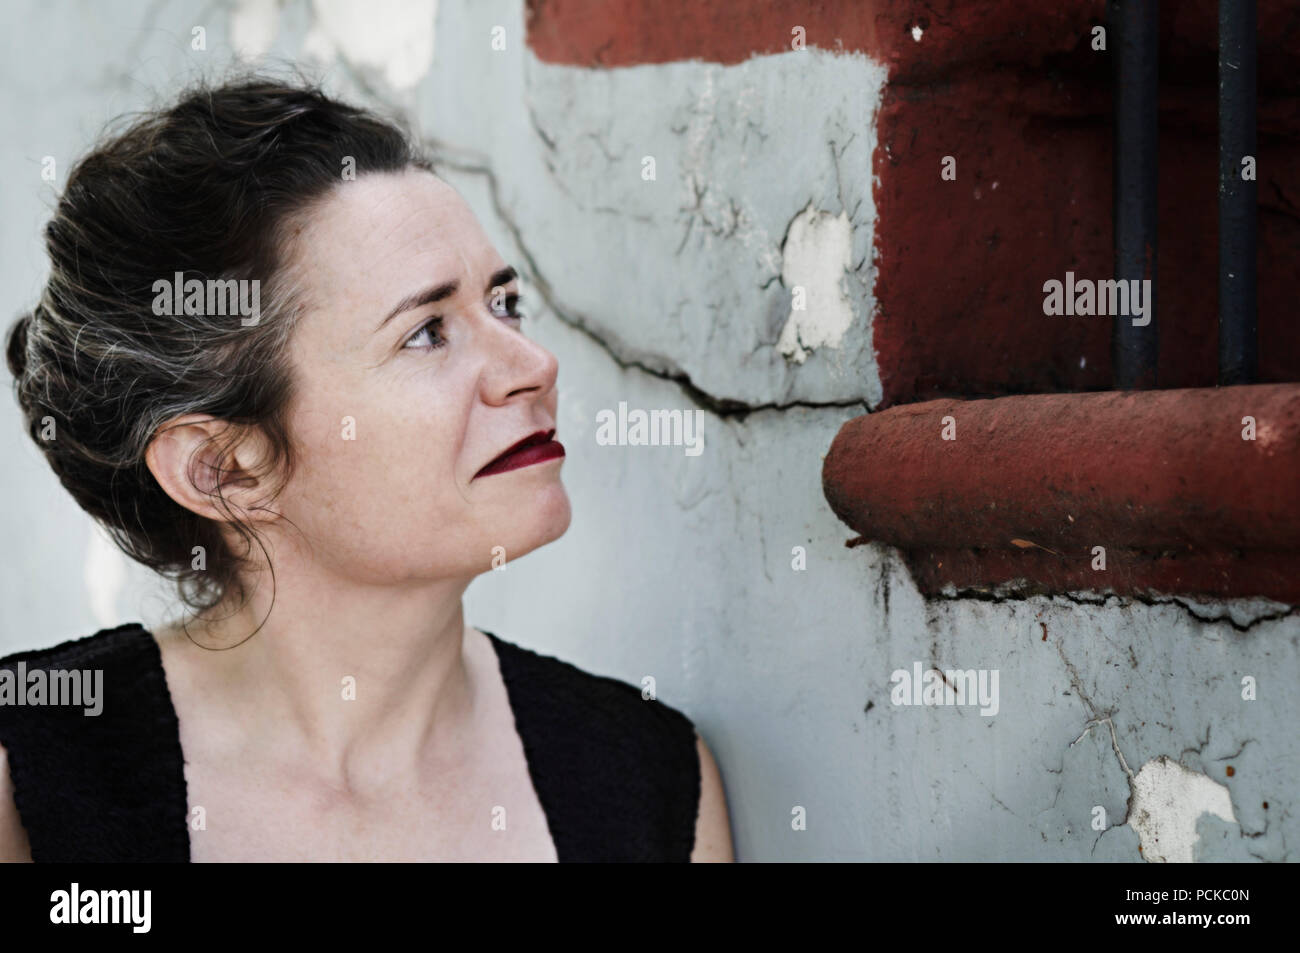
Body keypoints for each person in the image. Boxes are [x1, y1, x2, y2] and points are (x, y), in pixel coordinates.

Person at [0, 75, 732, 862]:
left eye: (504, 303)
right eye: (426, 332)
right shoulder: (32, 775)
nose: (534, 366)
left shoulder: (648, 779)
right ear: (223, 468)